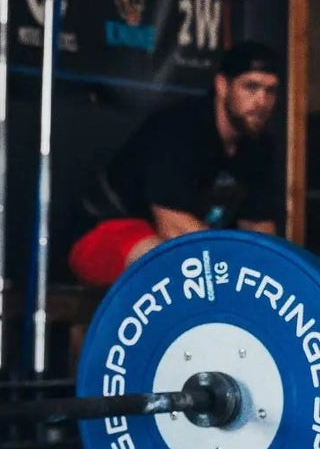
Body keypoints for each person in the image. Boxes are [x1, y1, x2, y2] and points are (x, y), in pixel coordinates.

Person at [68, 40, 282, 287]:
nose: (261, 101)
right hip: (103, 236)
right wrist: (231, 267)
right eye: (251, 87)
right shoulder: (178, 127)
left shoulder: (258, 145)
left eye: (270, 91)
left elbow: (259, 230)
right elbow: (174, 229)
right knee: (176, 263)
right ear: (223, 85)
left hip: (180, 243)